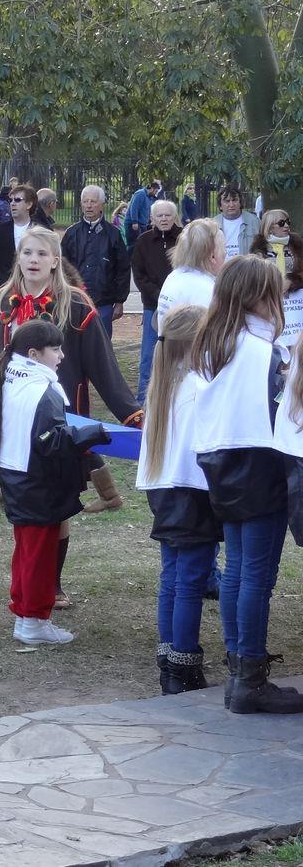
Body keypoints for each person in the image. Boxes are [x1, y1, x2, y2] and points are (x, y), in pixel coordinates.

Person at [0, 226, 142, 605]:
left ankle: (51, 585)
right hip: (11, 418)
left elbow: (104, 367)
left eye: (41, 254)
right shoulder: (1, 303)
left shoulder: (76, 305)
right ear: (18, 259)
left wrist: (133, 416)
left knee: (56, 504)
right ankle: (28, 585)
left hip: (58, 420)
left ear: (55, 261)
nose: (33, 260)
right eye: (27, 253)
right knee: (27, 504)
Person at [192, 256, 302, 714]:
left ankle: (240, 670)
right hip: (258, 459)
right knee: (256, 574)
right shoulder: (264, 351)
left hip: (219, 459)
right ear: (260, 296)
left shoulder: (213, 342)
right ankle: (250, 677)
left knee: (238, 569)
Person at [0, 319, 108, 645]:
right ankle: (34, 621)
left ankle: (25, 615)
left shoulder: (10, 378)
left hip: (17, 478)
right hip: (37, 483)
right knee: (39, 556)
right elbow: (51, 441)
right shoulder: (42, 390)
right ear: (34, 354)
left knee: (26, 552)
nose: (62, 356)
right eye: (56, 349)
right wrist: (93, 433)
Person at [136, 304, 219, 693]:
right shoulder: (198, 388)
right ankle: (183, 663)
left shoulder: (162, 387)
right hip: (193, 492)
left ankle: (170, 659)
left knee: (172, 577)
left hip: (165, 490)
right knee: (190, 581)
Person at [60, 185, 130, 338]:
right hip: (75, 301)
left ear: (102, 204)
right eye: (85, 201)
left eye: (93, 201)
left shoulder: (113, 234)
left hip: (104, 302)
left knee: (101, 343)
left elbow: (123, 268)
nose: (89, 205)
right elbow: (62, 267)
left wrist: (120, 301)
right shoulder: (71, 233)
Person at [131, 199, 182, 401]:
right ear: (152, 218)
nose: (164, 219)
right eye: (159, 215)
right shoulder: (143, 241)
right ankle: (144, 401)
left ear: (174, 216)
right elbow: (139, 273)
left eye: (168, 215)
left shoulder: (184, 239)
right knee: (149, 356)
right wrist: (160, 296)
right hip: (153, 306)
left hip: (180, 306)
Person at [155, 219, 225, 329]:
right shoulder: (204, 288)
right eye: (223, 249)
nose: (225, 253)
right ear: (212, 256)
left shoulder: (175, 276)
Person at [251, 213, 303, 348]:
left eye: (287, 222)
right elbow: (254, 276)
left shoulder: (297, 245)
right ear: (269, 227)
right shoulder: (258, 249)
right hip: (268, 301)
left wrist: (292, 281)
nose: (286, 226)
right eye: (281, 223)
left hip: (295, 304)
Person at [0, 184, 39, 291]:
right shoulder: (0, 230)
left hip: (33, 290)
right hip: (3, 289)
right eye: (11, 200)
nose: (12, 203)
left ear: (29, 204)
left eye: (17, 200)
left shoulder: (41, 231)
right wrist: (1, 282)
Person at [215, 187, 260, 260]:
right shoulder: (213, 224)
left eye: (234, 200)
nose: (231, 204)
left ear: (240, 203)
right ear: (220, 206)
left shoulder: (254, 221)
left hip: (247, 265)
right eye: (227, 201)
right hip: (221, 266)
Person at [126, 180, 161, 247]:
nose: (156, 193)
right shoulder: (140, 194)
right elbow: (134, 208)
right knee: (133, 245)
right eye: (156, 191)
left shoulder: (150, 198)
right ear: (152, 188)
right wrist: (134, 222)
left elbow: (148, 211)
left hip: (142, 225)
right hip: (133, 224)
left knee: (141, 245)